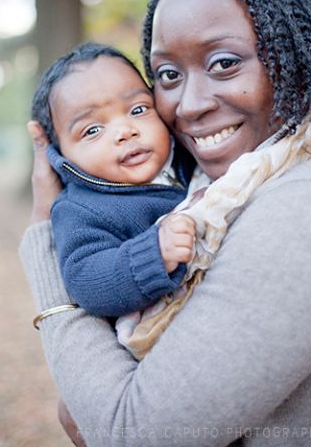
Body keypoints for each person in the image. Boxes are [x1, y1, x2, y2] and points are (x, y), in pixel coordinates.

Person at [22, 0, 311, 446]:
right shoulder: (220, 187)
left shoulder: (308, 207)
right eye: (168, 75)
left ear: (290, 58)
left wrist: (89, 387)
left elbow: (132, 433)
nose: (189, 105)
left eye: (224, 63)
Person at [30, 42, 196, 324]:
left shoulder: (191, 154)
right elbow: (85, 279)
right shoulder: (79, 209)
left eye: (138, 109)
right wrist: (153, 255)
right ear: (59, 152)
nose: (125, 131)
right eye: (93, 130)